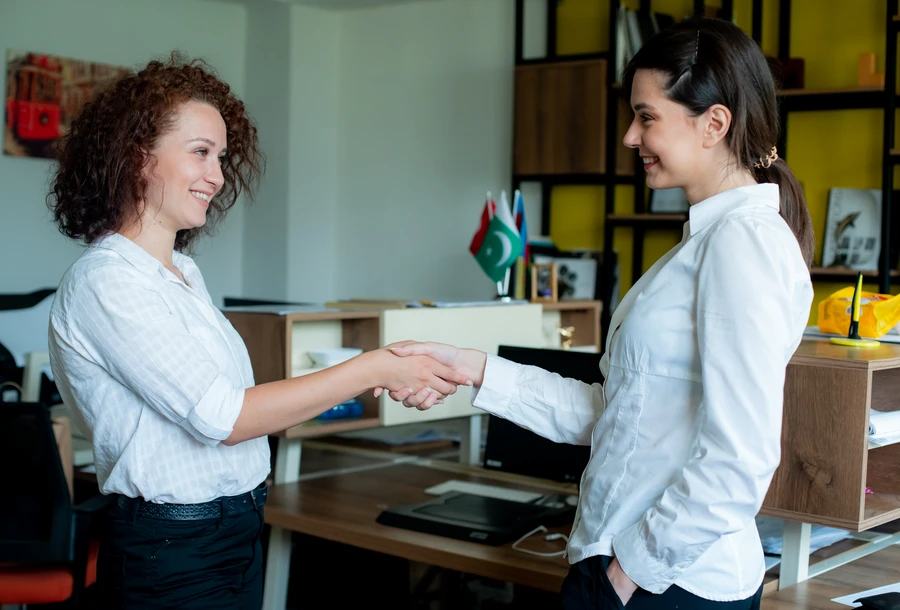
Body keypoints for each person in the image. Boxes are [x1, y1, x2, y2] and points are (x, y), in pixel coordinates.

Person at [384, 17, 814, 610]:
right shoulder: (708, 244)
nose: (630, 138)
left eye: (646, 117)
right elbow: (620, 417)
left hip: (665, 584)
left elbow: (740, 456)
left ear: (714, 123)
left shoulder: (743, 245)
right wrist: (475, 369)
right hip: (632, 571)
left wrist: (629, 573)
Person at [45, 54, 467, 609]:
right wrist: (375, 367)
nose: (218, 176)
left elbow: (232, 407)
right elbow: (224, 417)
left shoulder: (181, 275)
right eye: (200, 153)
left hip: (233, 531)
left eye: (221, 156)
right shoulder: (106, 281)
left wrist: (378, 372)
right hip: (172, 549)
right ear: (136, 155)